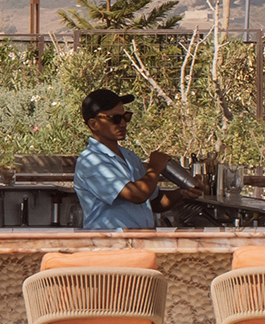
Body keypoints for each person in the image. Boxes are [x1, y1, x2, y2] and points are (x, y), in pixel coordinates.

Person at [74, 88, 183, 231]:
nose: (123, 124)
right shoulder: (91, 161)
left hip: (138, 242)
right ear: (94, 124)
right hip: (112, 246)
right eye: (115, 119)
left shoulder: (129, 156)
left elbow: (154, 201)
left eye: (126, 117)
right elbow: (137, 195)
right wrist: (155, 168)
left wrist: (182, 193)